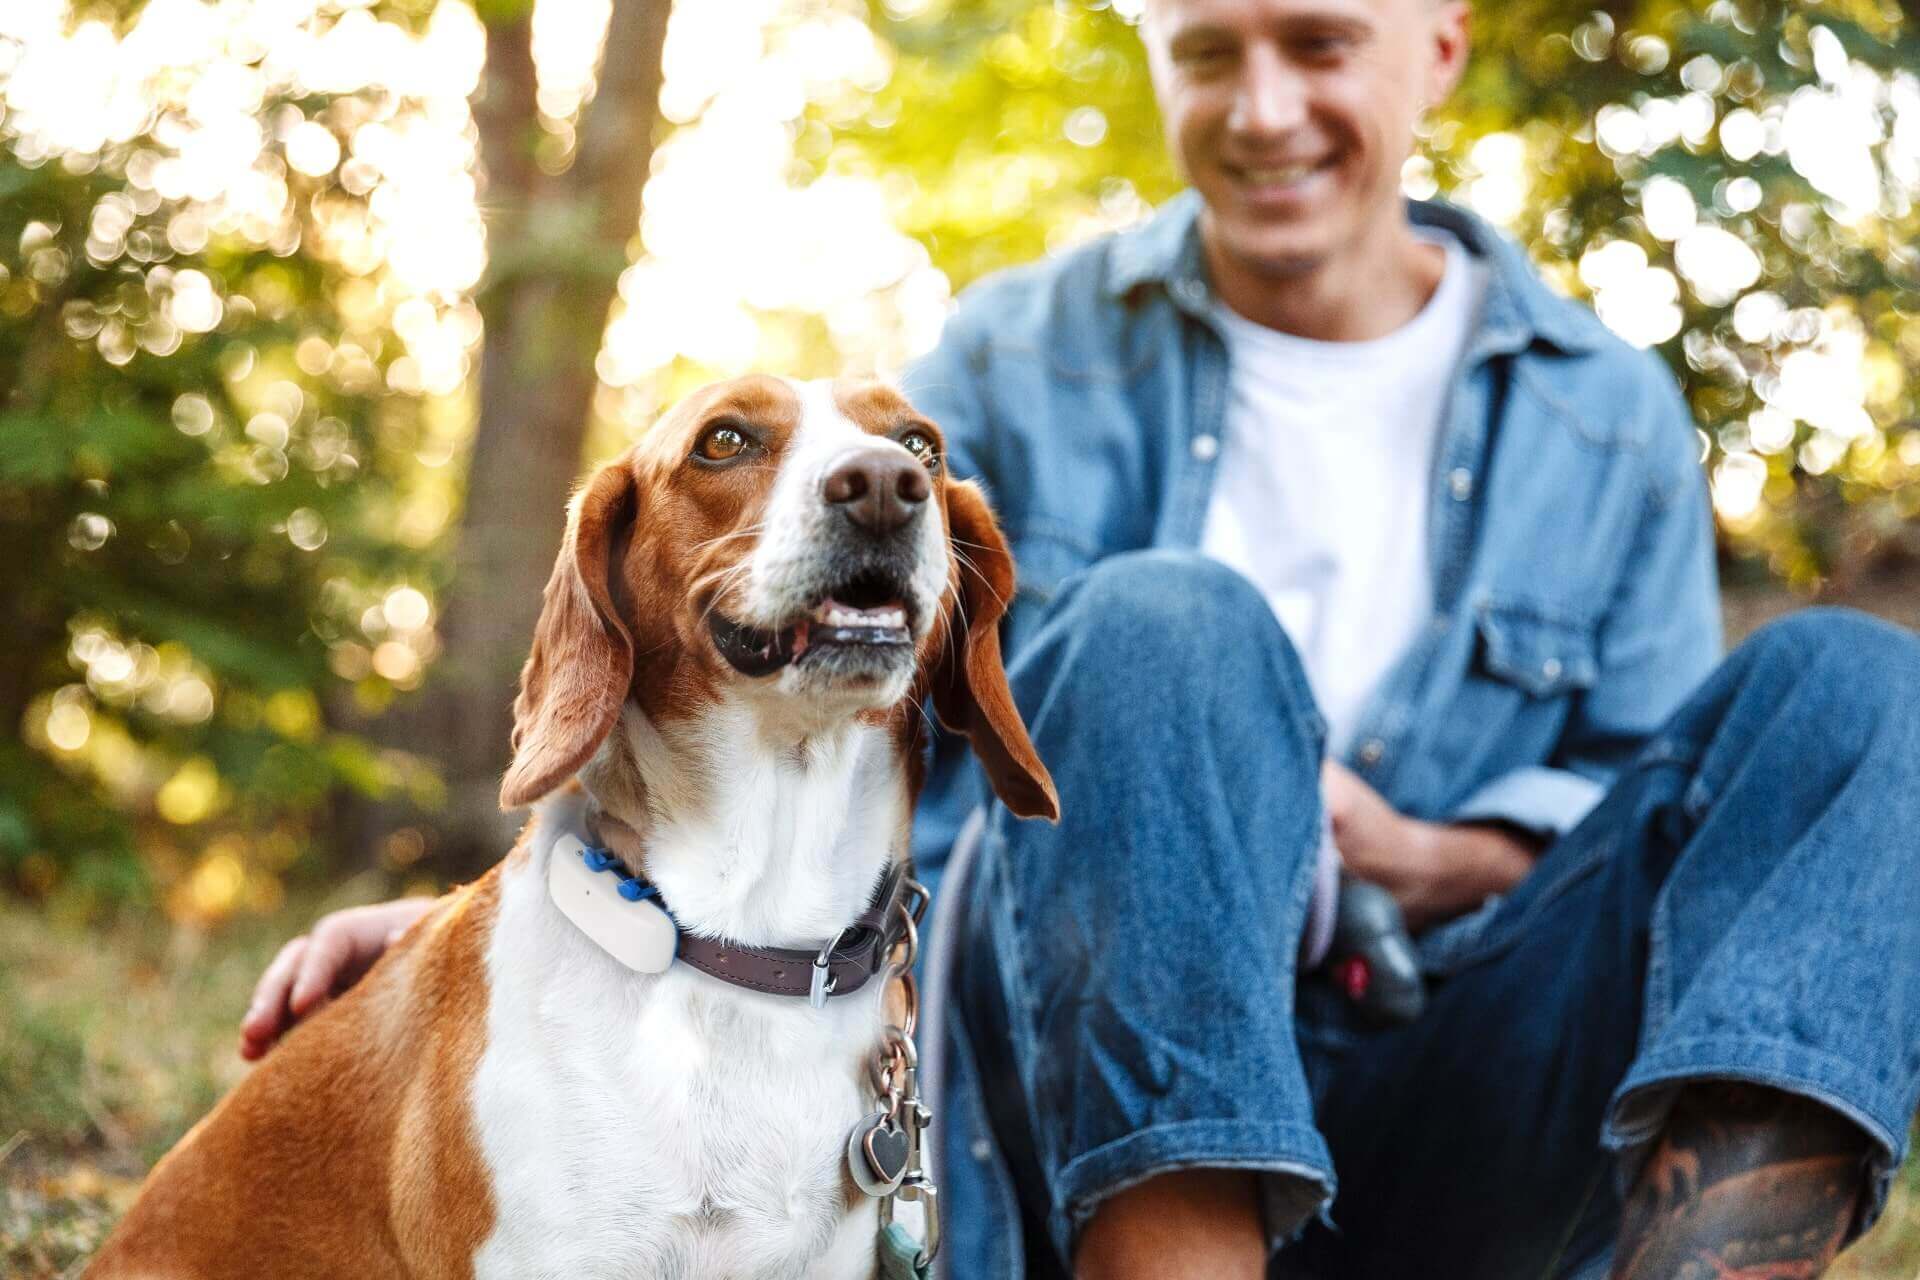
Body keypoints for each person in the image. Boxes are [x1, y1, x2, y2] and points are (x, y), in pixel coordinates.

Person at [240, 0, 1920, 1275]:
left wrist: (1409, 847)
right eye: (1207, 55)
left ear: (1440, 47)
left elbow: (1658, 812)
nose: (1263, 111)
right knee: (1168, 625)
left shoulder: (1610, 413)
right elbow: (782, 638)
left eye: (1321, 45)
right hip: (1060, 1092)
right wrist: (523, 910)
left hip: (1464, 1068)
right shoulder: (1025, 349)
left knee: (1862, 683)